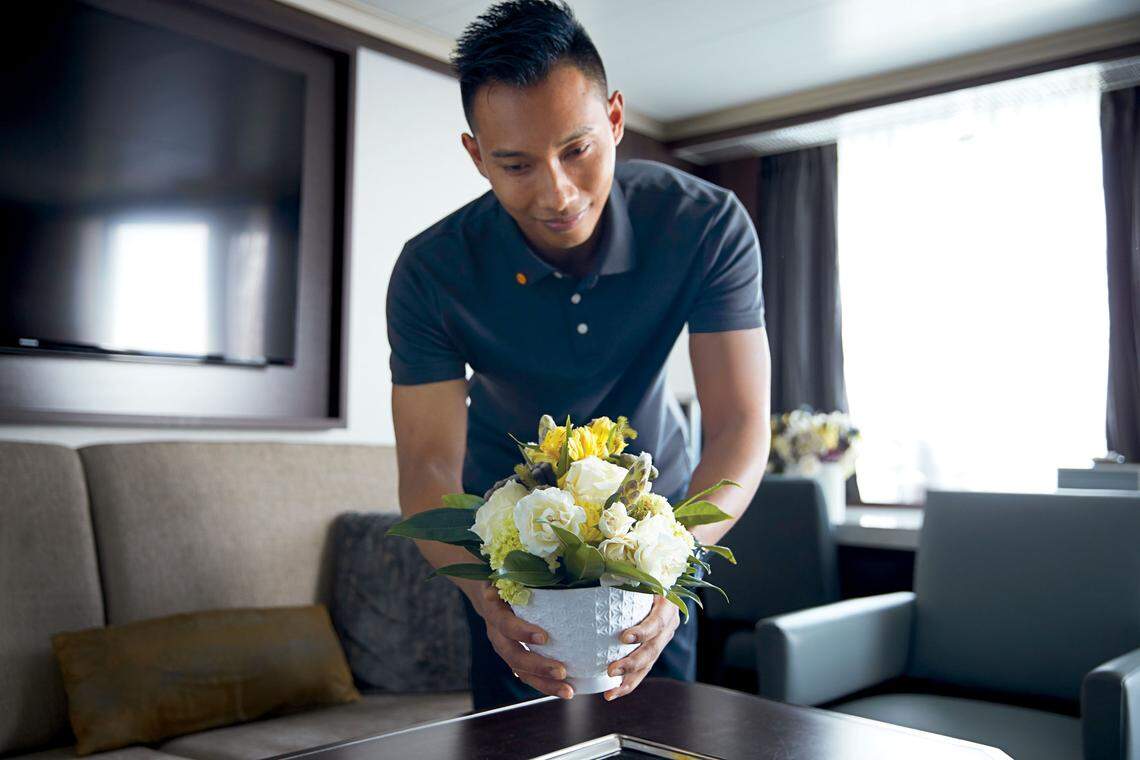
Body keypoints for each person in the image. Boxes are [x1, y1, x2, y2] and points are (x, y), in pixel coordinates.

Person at [386, 0, 771, 711]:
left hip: (659, 530)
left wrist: (674, 567)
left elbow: (741, 423)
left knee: (657, 736)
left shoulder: (705, 224)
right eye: (515, 164)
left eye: (577, 150)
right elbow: (428, 464)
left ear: (615, 119)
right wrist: (486, 593)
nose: (557, 193)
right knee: (519, 743)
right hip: (508, 546)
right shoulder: (431, 271)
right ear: (476, 155)